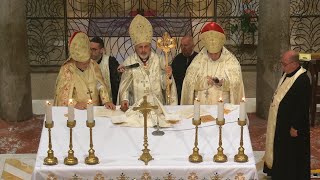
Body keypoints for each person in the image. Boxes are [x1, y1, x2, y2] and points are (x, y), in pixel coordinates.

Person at [263, 50, 310, 180]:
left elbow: (303, 106)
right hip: (281, 123)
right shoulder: (287, 73)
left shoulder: (302, 80)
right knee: (280, 150)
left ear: (294, 64)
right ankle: (279, 173)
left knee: (291, 153)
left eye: (284, 64)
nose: (282, 66)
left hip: (292, 127)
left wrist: (296, 126)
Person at [118, 14, 178, 111]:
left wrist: (169, 75)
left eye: (146, 46)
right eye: (140, 47)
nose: (143, 50)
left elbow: (164, 85)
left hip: (157, 107)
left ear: (150, 46)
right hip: (137, 108)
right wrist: (125, 99)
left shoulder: (159, 60)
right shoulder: (129, 62)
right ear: (135, 48)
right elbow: (125, 86)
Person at [180, 22, 245, 105]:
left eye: (216, 53)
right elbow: (188, 83)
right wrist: (205, 82)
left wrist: (223, 83)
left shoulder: (231, 61)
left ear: (221, 49)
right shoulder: (198, 60)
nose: (213, 56)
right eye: (211, 54)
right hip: (201, 108)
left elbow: (237, 84)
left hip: (223, 109)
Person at [54, 32, 115, 110]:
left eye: (88, 61)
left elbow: (100, 85)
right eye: (83, 63)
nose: (86, 65)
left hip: (94, 109)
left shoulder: (93, 65)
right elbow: (62, 96)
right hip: (76, 111)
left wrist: (106, 101)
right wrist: (75, 104)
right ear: (75, 60)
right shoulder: (67, 70)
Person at [90, 36, 121, 104]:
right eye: (90, 49)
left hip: (108, 102)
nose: (91, 52)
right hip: (91, 101)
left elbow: (116, 83)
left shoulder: (110, 62)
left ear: (102, 50)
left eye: (94, 49)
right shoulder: (85, 63)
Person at [171, 35, 198, 104]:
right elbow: (173, 77)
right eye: (181, 45)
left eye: (185, 45)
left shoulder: (198, 58)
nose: (183, 48)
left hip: (194, 93)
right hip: (180, 94)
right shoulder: (177, 59)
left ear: (192, 46)